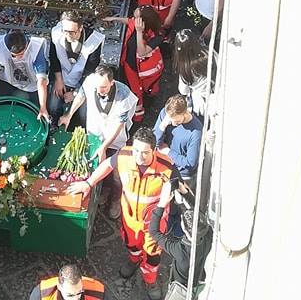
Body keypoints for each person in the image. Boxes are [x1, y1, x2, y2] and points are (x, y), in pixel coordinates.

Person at [67, 126, 175, 297]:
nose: (139, 156)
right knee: (131, 244)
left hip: (154, 221)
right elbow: (108, 165)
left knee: (153, 253)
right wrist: (89, 183)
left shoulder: (166, 167)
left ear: (154, 150)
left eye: (145, 152)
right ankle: (134, 260)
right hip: (130, 217)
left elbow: (179, 187)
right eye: (136, 150)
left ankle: (150, 281)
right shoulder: (125, 155)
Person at [60, 64, 138, 218]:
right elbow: (81, 95)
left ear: (112, 83)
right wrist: (69, 115)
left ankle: (116, 199)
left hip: (115, 137)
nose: (99, 90)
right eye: (97, 86)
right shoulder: (91, 81)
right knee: (97, 165)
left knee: (116, 171)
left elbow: (119, 125)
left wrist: (104, 146)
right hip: (95, 132)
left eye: (103, 87)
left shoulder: (123, 95)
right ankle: (104, 190)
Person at [149, 182, 212, 291]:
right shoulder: (208, 235)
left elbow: (153, 232)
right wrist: (185, 192)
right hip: (198, 279)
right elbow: (200, 216)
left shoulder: (180, 251)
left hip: (180, 287)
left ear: (183, 227)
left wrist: (162, 204)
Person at [107, 6, 164, 123]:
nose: (133, 19)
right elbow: (129, 21)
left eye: (136, 17)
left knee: (136, 91)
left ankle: (138, 117)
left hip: (139, 69)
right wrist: (114, 19)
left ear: (143, 22)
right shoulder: (136, 23)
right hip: (128, 62)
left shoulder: (156, 36)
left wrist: (139, 32)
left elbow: (142, 51)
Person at [48, 12, 104, 124]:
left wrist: (76, 93)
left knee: (84, 114)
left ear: (80, 28)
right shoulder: (57, 33)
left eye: (72, 32)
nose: (68, 35)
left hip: (82, 81)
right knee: (53, 107)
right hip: (62, 76)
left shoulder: (94, 41)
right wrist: (58, 79)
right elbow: (53, 57)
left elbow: (90, 70)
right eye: (65, 31)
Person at [0, 29, 50, 119]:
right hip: (9, 82)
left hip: (34, 87)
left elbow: (41, 80)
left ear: (27, 45)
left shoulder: (36, 49)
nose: (18, 58)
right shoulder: (1, 45)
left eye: (22, 54)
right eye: (14, 55)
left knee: (32, 111)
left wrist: (43, 107)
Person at [153, 95, 203, 178]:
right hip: (163, 165)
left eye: (176, 121)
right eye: (170, 119)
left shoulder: (196, 132)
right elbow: (154, 143)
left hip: (180, 174)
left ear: (185, 113)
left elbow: (191, 163)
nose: (172, 123)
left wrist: (168, 152)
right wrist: (162, 126)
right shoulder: (166, 114)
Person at [172, 28, 211, 119]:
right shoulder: (208, 51)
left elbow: (183, 91)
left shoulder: (186, 69)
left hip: (204, 100)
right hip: (217, 88)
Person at [29, 263, 112, 300]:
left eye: (79, 293)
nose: (75, 299)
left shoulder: (99, 293)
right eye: (70, 295)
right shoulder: (41, 295)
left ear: (82, 282)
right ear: (59, 286)